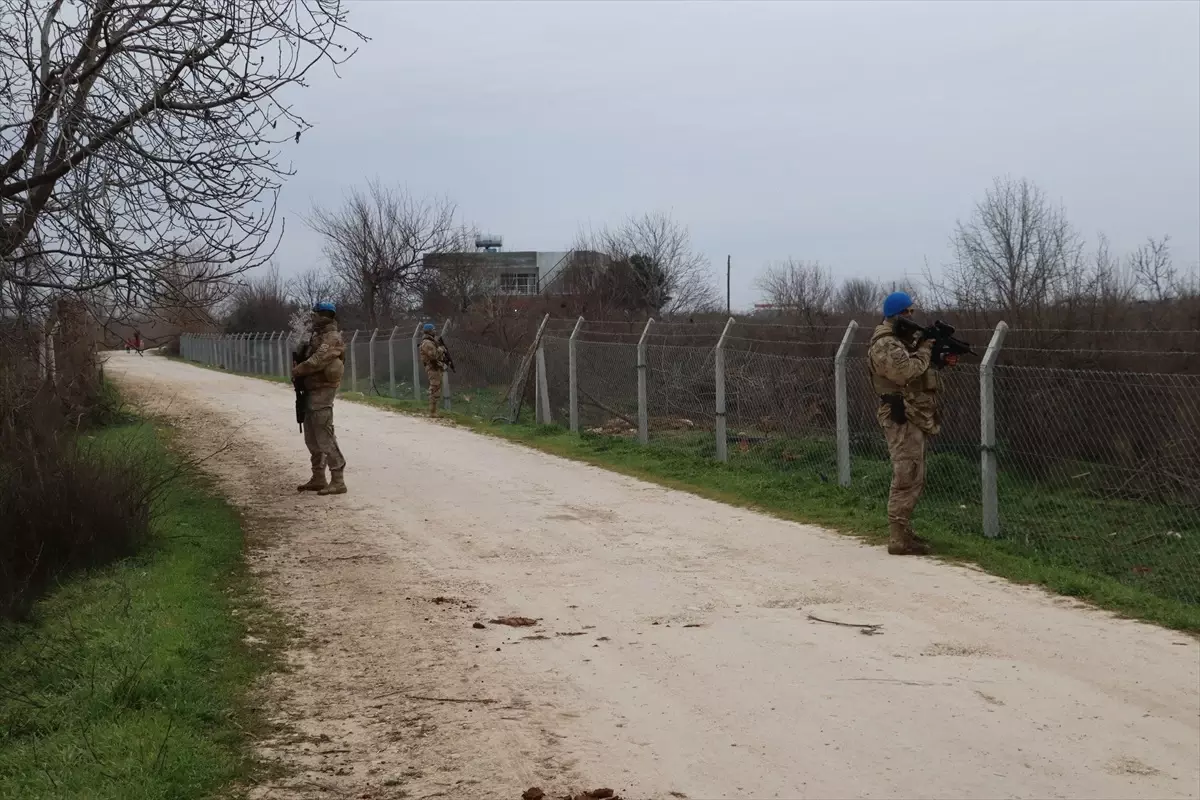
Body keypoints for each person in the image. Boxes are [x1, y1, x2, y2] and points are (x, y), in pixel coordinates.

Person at [867, 292, 959, 555]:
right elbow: (904, 372)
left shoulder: (900, 339)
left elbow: (916, 370)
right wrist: (926, 349)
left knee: (914, 473)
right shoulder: (886, 343)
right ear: (895, 314)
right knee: (906, 473)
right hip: (900, 414)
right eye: (906, 312)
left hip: (911, 412)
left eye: (911, 312)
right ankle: (897, 537)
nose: (910, 316)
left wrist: (937, 355)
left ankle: (903, 530)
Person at [292, 302, 348, 495]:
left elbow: (318, 361)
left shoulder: (332, 338)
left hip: (322, 392)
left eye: (315, 314)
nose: (312, 318)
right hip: (310, 391)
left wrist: (298, 370)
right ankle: (318, 477)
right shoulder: (317, 337)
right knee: (311, 437)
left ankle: (338, 480)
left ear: (324, 315)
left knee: (324, 435)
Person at [417, 322, 449, 417]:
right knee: (434, 387)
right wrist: (441, 349)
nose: (435, 331)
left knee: (437, 387)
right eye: (434, 330)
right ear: (429, 331)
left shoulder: (431, 341)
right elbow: (433, 355)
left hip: (435, 366)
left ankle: (434, 410)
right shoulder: (427, 343)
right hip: (432, 367)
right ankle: (432, 411)